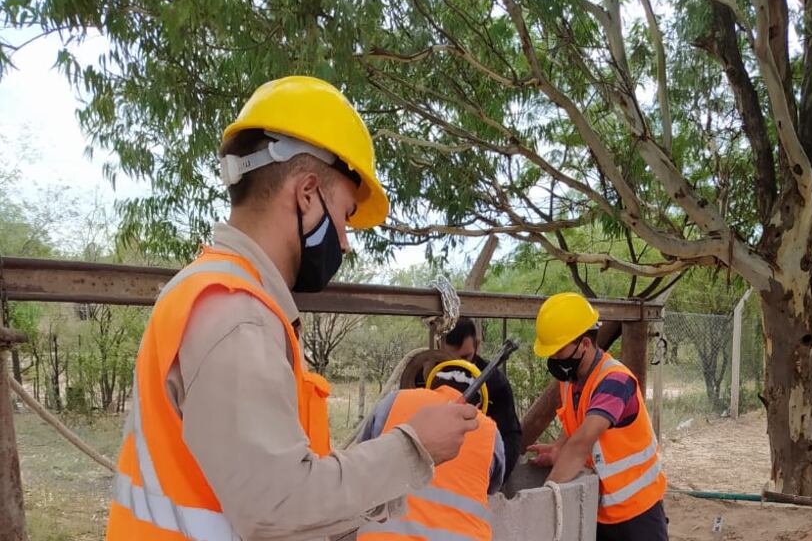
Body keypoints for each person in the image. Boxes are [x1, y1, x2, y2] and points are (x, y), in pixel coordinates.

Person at [106, 76, 479, 541]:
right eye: (344, 216)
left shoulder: (223, 295)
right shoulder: (233, 313)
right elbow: (278, 508)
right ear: (305, 193)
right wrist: (413, 447)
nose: (344, 241)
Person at [527, 292, 668, 541]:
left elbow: (582, 442)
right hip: (599, 507)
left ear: (584, 344)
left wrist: (546, 499)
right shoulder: (571, 380)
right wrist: (559, 447)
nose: (555, 359)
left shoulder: (614, 381)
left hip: (637, 510)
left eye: (559, 351)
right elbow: (576, 422)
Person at [357, 359, 505, 541]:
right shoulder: (490, 431)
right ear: (477, 406)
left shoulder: (393, 402)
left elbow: (362, 460)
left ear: (431, 386)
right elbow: (494, 485)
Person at [442, 317, 522, 482]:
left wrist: (494, 480)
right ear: (439, 347)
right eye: (451, 359)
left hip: (478, 468)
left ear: (477, 345)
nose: (458, 366)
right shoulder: (422, 375)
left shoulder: (496, 383)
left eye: (465, 357)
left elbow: (510, 437)